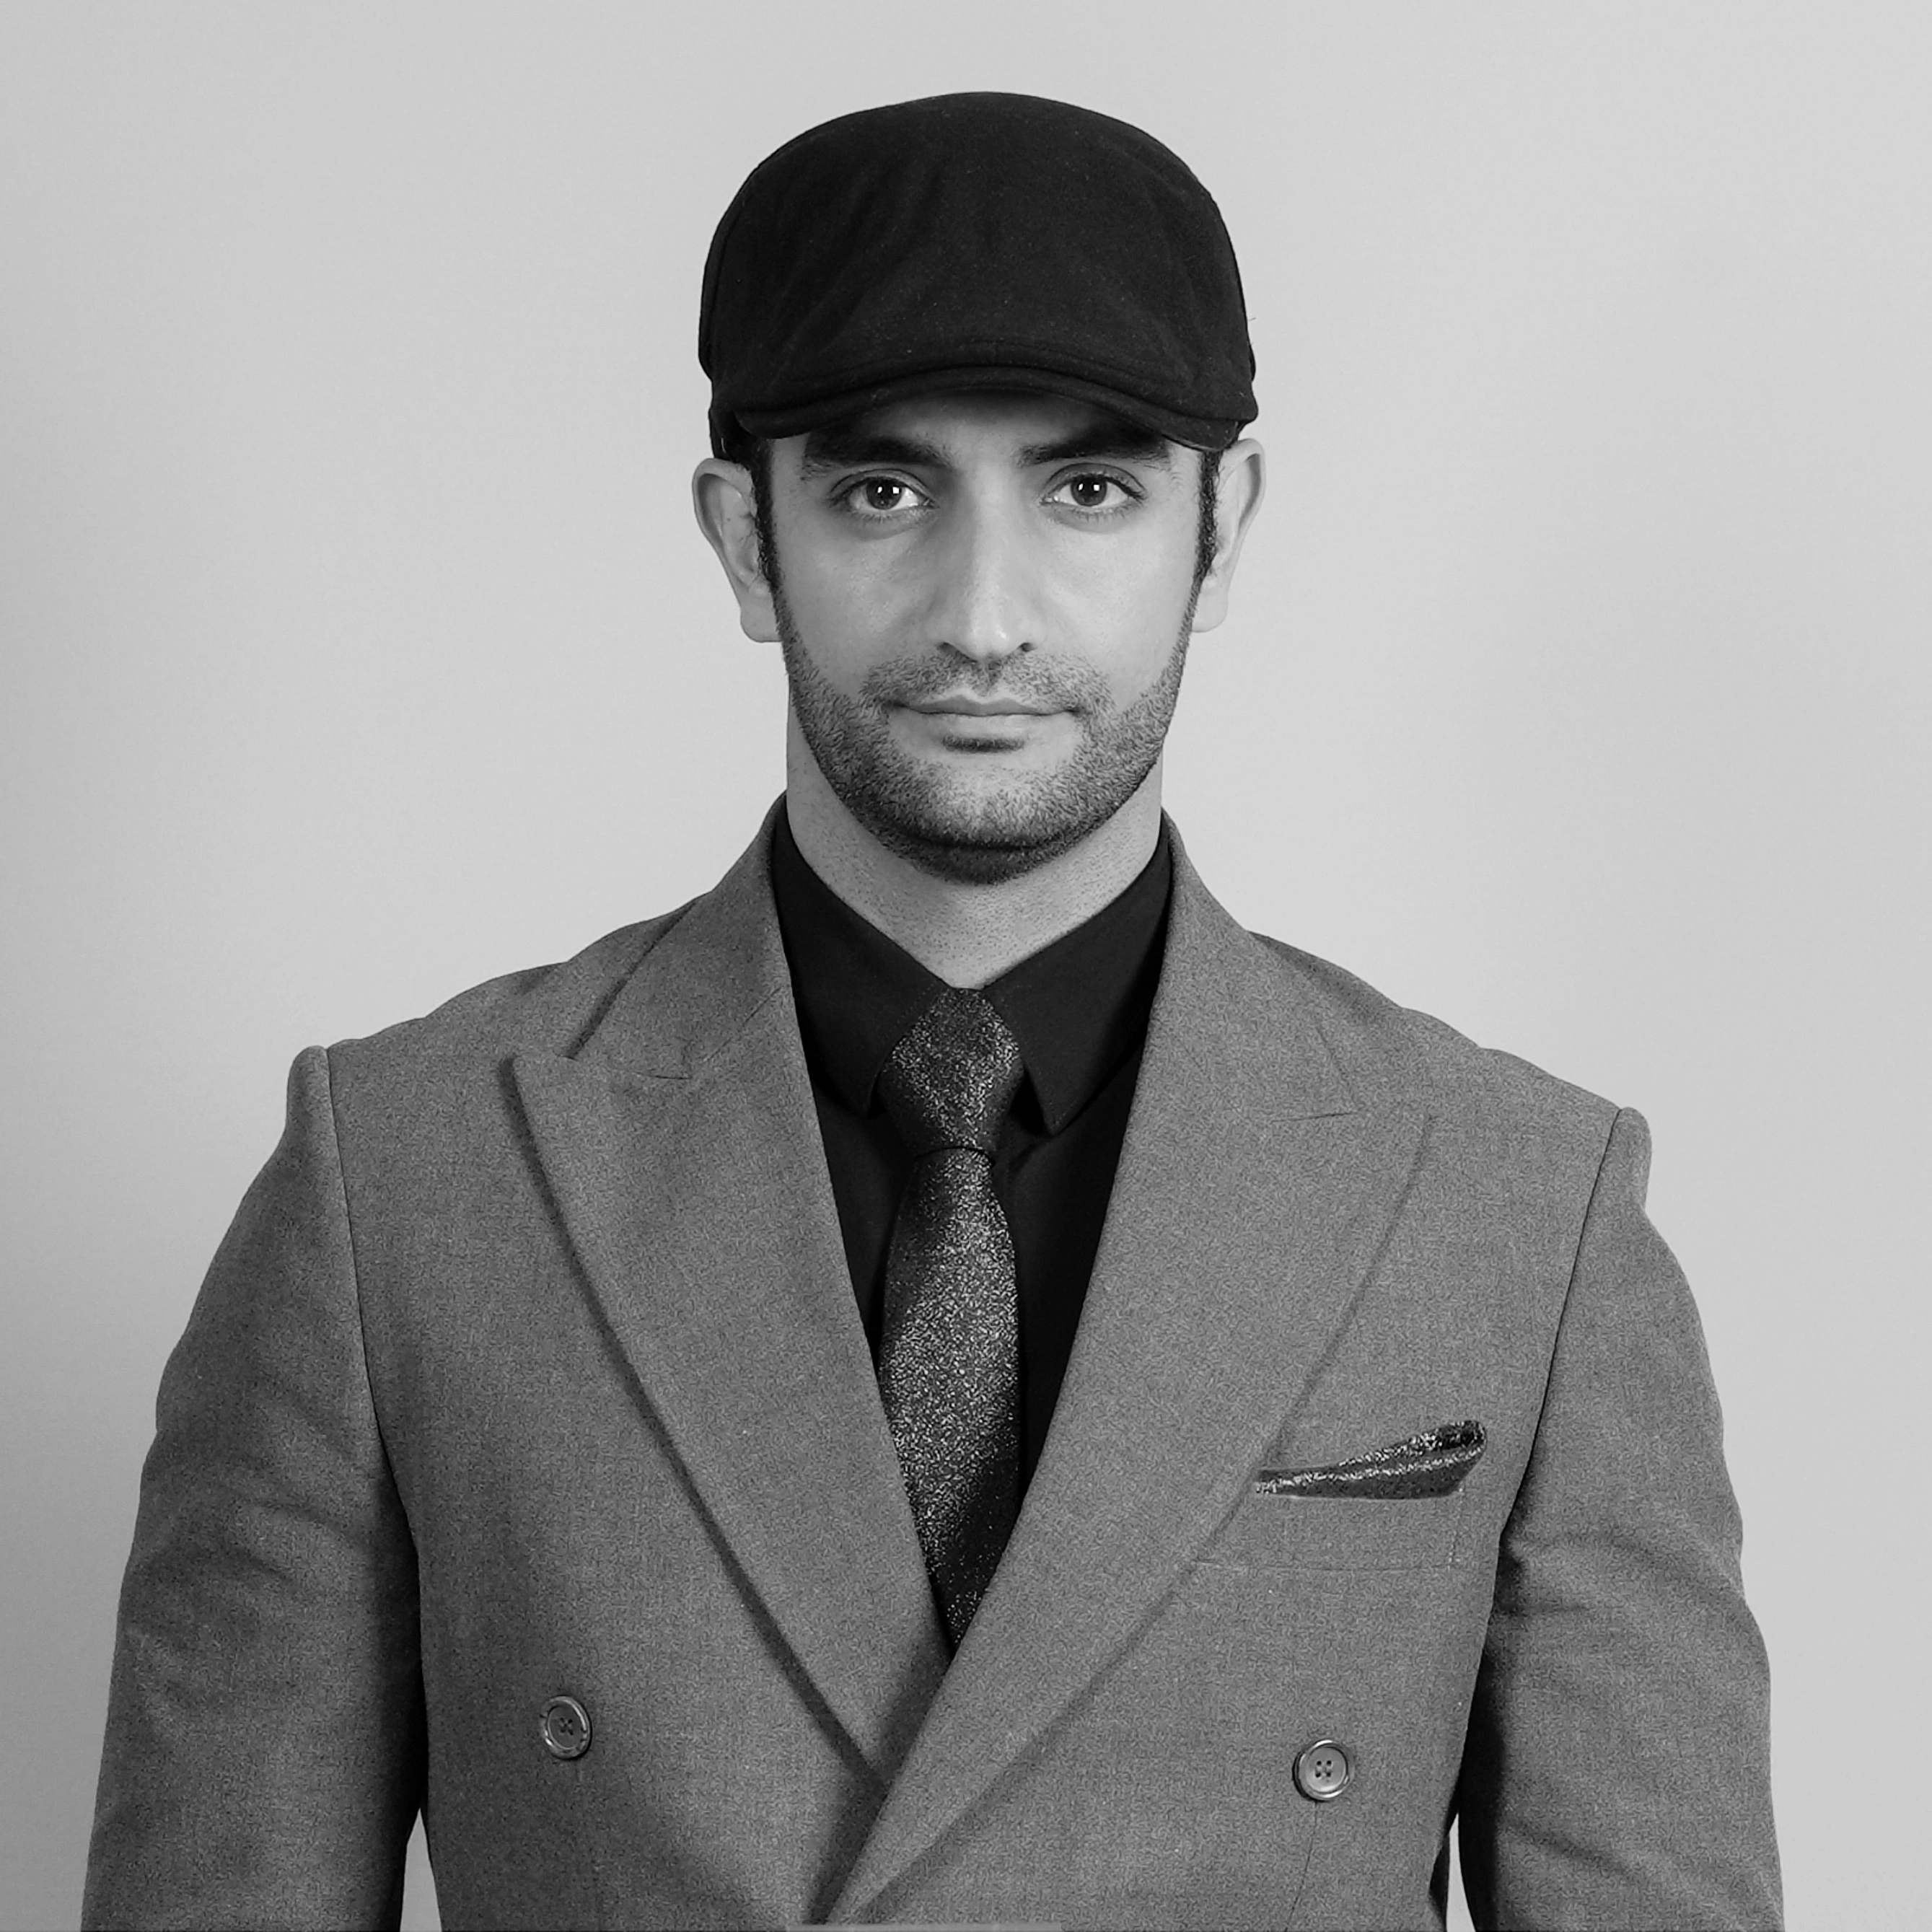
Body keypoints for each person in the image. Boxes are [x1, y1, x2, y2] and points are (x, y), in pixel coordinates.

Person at [83, 92, 1780, 1931]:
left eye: (1088, 490)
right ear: (749, 540)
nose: (982, 614)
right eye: (881, 492)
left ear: (1220, 530)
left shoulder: (1520, 1214)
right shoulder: (402, 1184)